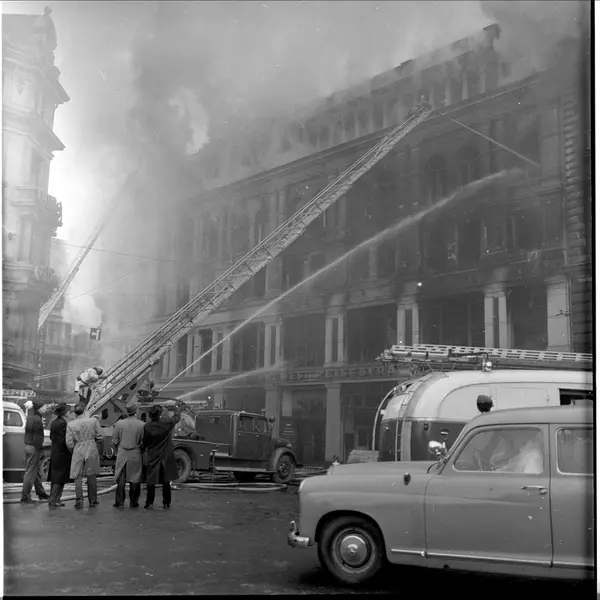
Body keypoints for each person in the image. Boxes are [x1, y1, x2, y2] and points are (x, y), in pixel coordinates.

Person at [142, 402, 181, 510]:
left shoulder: (147, 426)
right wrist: (177, 407)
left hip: (153, 455)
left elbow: (145, 442)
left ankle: (149, 503)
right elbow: (177, 417)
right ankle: (166, 503)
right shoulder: (166, 423)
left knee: (151, 480)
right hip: (166, 455)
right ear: (159, 414)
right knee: (166, 480)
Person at [66, 402, 103, 509]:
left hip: (78, 448)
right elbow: (100, 436)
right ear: (85, 411)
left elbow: (69, 442)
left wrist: (74, 449)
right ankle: (93, 500)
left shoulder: (71, 424)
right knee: (91, 475)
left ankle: (79, 500)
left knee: (77, 475)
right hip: (91, 447)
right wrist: (95, 443)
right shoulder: (93, 421)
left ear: (75, 413)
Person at [112, 400, 145, 509]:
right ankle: (134, 502)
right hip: (135, 452)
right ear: (136, 411)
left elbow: (114, 440)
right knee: (135, 478)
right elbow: (143, 442)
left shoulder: (119, 424)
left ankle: (119, 502)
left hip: (122, 452)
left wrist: (119, 448)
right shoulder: (142, 425)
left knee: (121, 478)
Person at [21, 399, 50, 503]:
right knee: (30, 473)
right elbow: (38, 438)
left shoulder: (30, 418)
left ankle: (41, 492)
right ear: (39, 408)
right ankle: (25, 496)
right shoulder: (38, 420)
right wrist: (40, 450)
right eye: (44, 406)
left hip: (28, 446)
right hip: (34, 448)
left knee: (35, 471)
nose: (45, 408)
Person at [48, 401, 73, 508]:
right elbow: (65, 439)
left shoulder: (54, 422)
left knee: (55, 477)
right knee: (60, 478)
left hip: (55, 451)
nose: (69, 413)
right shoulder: (63, 423)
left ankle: (53, 499)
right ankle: (55, 499)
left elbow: (51, 437)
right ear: (64, 412)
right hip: (62, 453)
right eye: (68, 411)